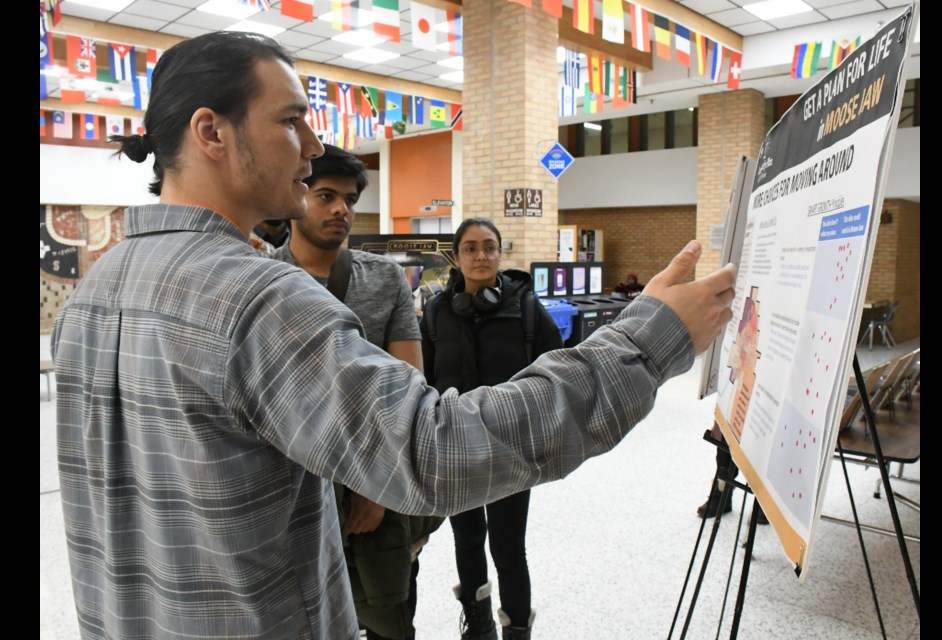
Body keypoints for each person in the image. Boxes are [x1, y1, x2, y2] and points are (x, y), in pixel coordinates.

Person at [53, 30, 736, 639]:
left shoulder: (94, 293)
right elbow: (437, 450)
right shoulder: (259, 297)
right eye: (292, 121)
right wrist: (648, 339)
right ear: (212, 133)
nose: (315, 146)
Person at [273, 145, 440, 640]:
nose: (341, 209)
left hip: (372, 480)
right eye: (326, 195)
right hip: (288, 485)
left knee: (387, 613)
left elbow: (409, 386)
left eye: (349, 199)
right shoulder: (263, 279)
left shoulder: (384, 277)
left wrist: (377, 486)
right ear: (296, 196)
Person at [420, 219, 563, 640]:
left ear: (500, 253)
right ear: (457, 256)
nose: (480, 256)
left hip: (511, 450)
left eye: (489, 247)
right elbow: (423, 379)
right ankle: (478, 624)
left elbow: (558, 371)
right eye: (470, 248)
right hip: (456, 449)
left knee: (507, 547)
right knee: (467, 539)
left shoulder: (526, 309)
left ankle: (517, 630)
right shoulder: (435, 313)